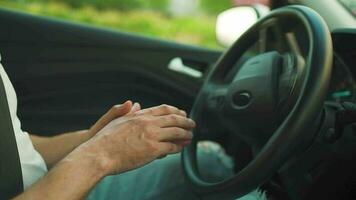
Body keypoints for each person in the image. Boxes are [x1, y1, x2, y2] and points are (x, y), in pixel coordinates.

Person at [0, 54, 266, 200]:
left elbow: (13, 146)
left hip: (50, 185)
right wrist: (101, 154)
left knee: (207, 161)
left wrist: (91, 137)